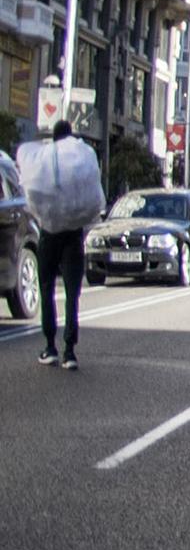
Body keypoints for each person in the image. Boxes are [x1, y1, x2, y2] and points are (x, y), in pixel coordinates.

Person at [27, 120, 100, 370]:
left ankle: (50, 346)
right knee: (72, 293)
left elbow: (33, 192)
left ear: (54, 137)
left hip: (50, 231)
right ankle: (70, 351)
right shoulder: (81, 156)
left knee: (46, 287)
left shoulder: (47, 157)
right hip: (73, 234)